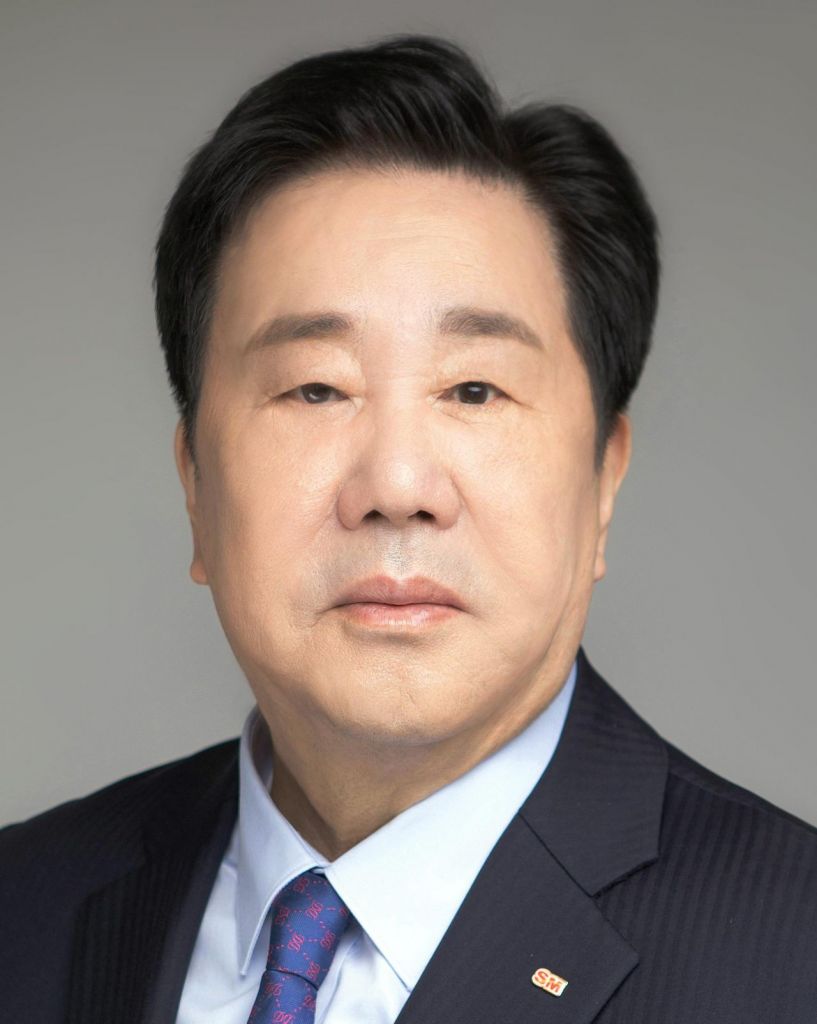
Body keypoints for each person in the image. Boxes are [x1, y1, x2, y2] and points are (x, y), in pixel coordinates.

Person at [1, 31, 815, 1024]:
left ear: (603, 479)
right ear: (195, 488)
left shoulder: (791, 954)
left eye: (473, 389)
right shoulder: (25, 911)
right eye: (314, 388)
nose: (395, 486)